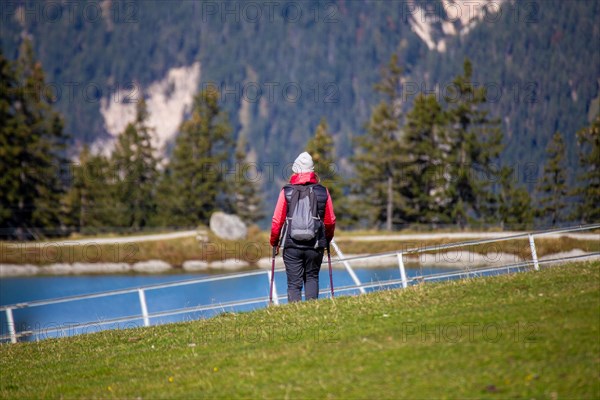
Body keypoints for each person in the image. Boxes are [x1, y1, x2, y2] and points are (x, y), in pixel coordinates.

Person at [270, 152, 336, 302]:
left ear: (295, 171)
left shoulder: (286, 191)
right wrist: (327, 240)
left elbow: (277, 221)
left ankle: (296, 317)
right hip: (316, 245)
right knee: (312, 278)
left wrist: (275, 242)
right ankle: (312, 314)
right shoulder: (323, 191)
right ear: (312, 171)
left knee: (294, 284)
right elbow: (330, 221)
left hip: (292, 245)